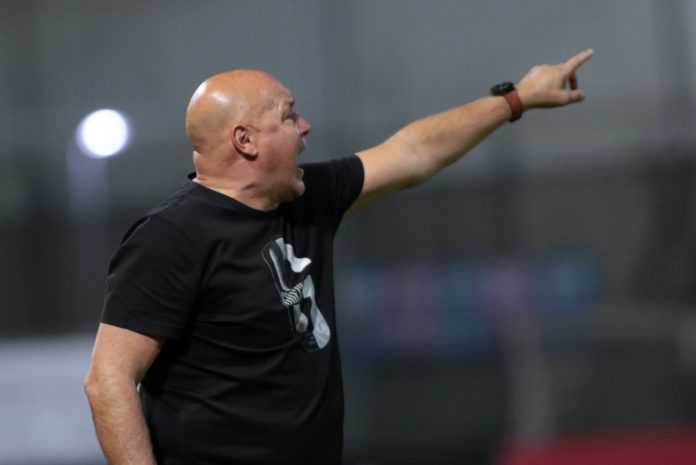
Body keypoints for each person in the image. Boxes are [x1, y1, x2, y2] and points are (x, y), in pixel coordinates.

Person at [84, 49, 594, 465]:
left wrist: (516, 99)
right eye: (288, 115)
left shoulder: (305, 199)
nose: (304, 126)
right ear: (245, 141)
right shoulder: (171, 238)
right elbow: (109, 381)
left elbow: (413, 153)